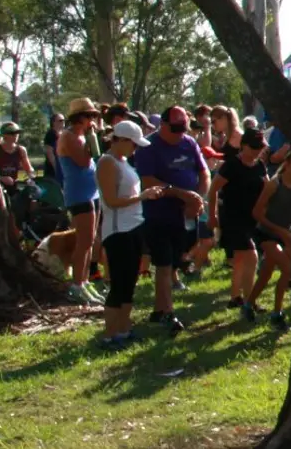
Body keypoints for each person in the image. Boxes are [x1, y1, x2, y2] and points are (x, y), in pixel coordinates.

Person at [133, 106, 209, 335]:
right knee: (164, 264)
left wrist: (197, 197)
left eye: (182, 129)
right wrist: (182, 194)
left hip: (185, 215)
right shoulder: (148, 147)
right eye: (174, 129)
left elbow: (203, 172)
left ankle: (158, 310)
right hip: (158, 213)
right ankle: (168, 313)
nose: (179, 134)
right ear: (163, 125)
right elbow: (148, 181)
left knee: (176, 260)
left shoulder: (189, 143)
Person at [95, 121, 163, 349]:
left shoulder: (124, 162)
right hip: (118, 231)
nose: (135, 149)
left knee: (129, 282)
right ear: (121, 141)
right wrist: (143, 196)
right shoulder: (107, 163)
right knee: (119, 283)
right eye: (133, 144)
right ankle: (109, 334)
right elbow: (112, 201)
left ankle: (123, 329)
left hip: (133, 226)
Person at [208, 129, 269, 314]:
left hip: (252, 219)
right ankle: (250, 301)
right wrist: (212, 216)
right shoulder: (231, 165)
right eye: (254, 147)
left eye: (260, 147)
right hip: (233, 218)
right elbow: (213, 191)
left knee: (241, 259)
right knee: (252, 256)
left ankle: (236, 297)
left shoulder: (260, 166)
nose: (258, 151)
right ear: (243, 145)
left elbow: (267, 189)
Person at [56, 99, 104, 304]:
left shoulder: (83, 137)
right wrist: (92, 137)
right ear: (79, 118)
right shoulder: (69, 137)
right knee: (83, 242)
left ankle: (84, 281)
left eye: (94, 116)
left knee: (90, 240)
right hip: (79, 195)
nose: (92, 120)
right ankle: (77, 284)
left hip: (92, 193)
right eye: (88, 116)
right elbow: (84, 162)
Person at [249, 150, 291, 329]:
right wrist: (280, 231)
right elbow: (256, 213)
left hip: (284, 235)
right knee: (288, 269)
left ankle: (248, 304)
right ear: (288, 162)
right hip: (266, 233)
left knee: (266, 274)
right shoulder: (274, 184)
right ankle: (277, 314)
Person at [0, 122, 34, 188]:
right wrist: (1, 178)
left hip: (17, 184)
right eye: (12, 133)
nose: (16, 135)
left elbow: (29, 170)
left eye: (17, 133)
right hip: (1, 186)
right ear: (4, 135)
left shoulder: (21, 150)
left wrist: (29, 176)